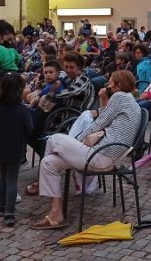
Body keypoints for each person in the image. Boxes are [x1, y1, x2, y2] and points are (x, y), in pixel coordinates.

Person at [32, 70, 141, 229]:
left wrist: (76, 141)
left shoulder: (120, 97)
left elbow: (98, 123)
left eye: (110, 81)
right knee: (48, 163)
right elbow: (105, 119)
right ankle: (56, 213)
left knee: (54, 139)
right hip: (105, 155)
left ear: (117, 85)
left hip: (101, 156)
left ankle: (43, 184)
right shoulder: (128, 100)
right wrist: (103, 100)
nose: (107, 84)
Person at [0, 73, 33, 227]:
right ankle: (10, 212)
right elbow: (29, 129)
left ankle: (1, 207)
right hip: (15, 148)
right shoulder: (22, 110)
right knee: (12, 179)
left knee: (2, 177)